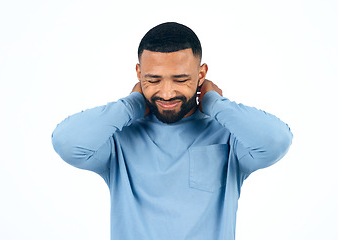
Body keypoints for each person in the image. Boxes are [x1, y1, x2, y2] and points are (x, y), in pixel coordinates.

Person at [52, 22, 293, 240]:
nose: (167, 93)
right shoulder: (118, 139)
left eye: (180, 80)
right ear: (139, 74)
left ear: (201, 75)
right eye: (154, 80)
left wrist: (215, 103)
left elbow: (276, 140)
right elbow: (68, 142)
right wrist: (132, 103)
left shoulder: (228, 136)